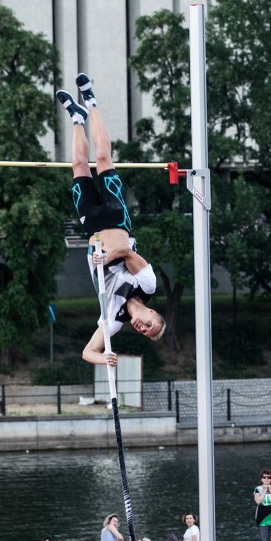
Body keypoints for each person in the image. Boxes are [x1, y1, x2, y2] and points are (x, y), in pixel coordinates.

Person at [57, 74, 165, 366]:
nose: (143, 329)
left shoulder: (113, 319)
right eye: (150, 325)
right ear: (153, 314)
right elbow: (128, 252)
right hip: (117, 218)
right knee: (103, 156)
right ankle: (91, 102)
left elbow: (87, 352)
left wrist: (104, 358)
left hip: (92, 226)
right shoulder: (148, 284)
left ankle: (77, 118)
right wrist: (106, 261)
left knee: (79, 164)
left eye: (144, 333)